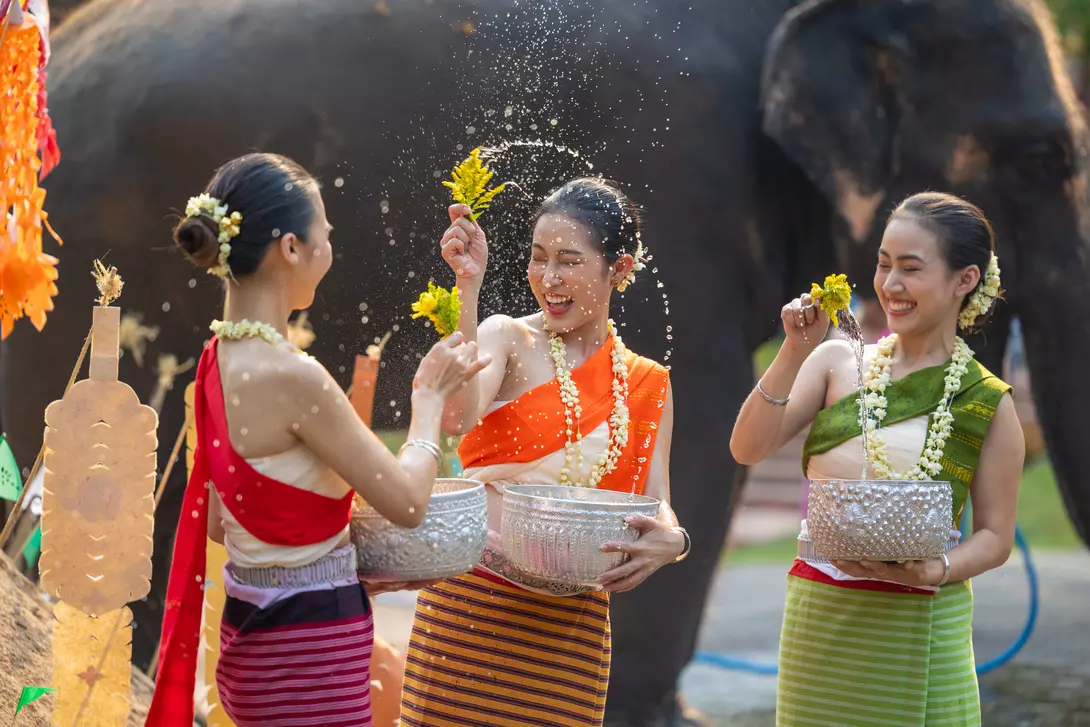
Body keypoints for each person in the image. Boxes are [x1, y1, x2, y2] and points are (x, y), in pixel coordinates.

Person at [147, 152, 489, 727]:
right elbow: (407, 502)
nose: (329, 251)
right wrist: (426, 404)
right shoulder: (294, 376)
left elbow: (218, 521)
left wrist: (322, 549)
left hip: (250, 645)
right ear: (290, 249)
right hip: (310, 660)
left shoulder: (215, 360)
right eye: (324, 236)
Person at [399, 178, 690, 726]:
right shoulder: (507, 336)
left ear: (620, 270)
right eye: (538, 259)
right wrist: (467, 287)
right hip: (472, 606)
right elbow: (456, 416)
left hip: (571, 627)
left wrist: (674, 541)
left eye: (568, 261)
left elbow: (656, 501)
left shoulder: (647, 382)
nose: (548, 279)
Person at [731, 192, 1025, 726]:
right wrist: (792, 350)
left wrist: (936, 570)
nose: (890, 286)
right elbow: (747, 448)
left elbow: (996, 538)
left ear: (965, 280)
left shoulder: (987, 401)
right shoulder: (837, 361)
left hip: (921, 622)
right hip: (821, 621)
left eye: (910, 269)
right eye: (883, 264)